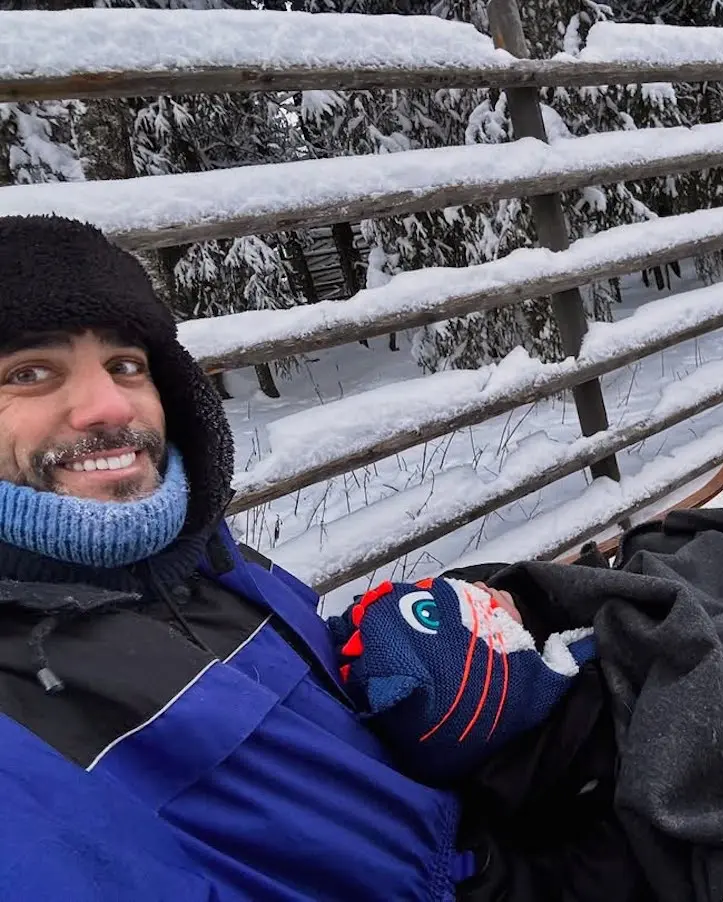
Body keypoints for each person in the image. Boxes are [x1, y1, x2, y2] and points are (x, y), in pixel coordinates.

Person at [0, 215, 483, 901]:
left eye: (126, 364)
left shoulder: (198, 557)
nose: (109, 404)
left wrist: (408, 646)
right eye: (29, 372)